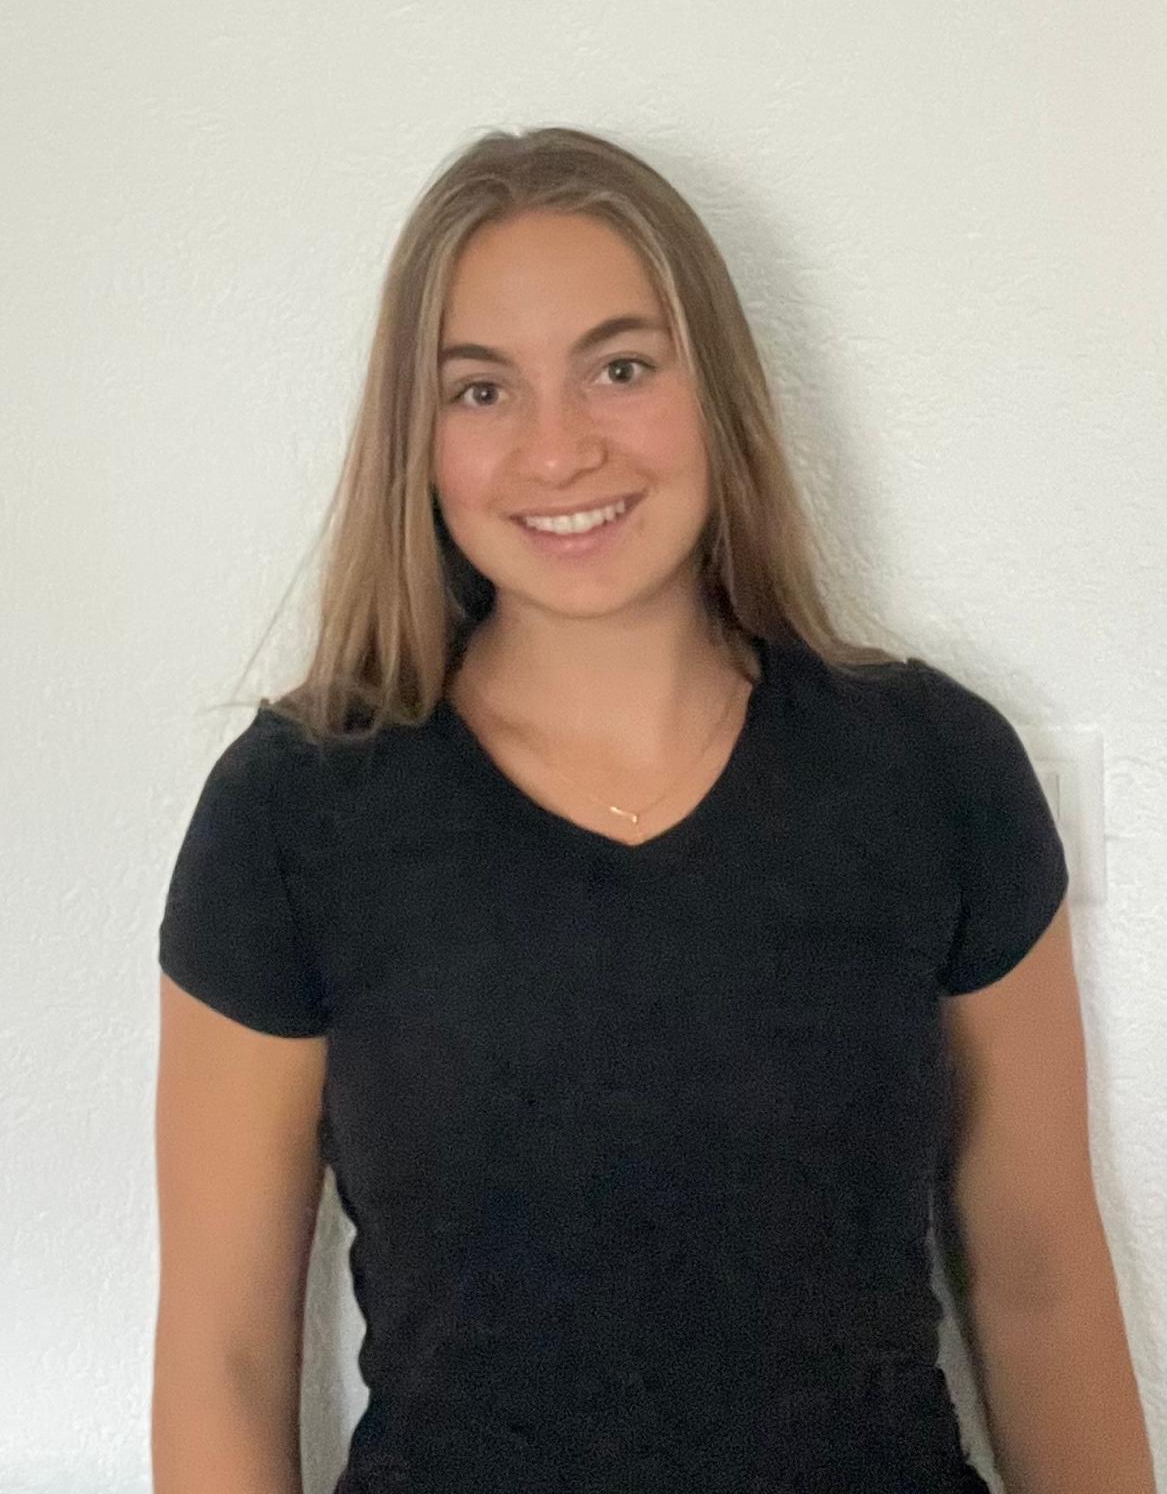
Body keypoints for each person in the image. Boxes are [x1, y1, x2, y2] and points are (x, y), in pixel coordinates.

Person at [152, 127, 1153, 1493]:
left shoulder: (935, 771)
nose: (559, 450)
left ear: (715, 392)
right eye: (481, 390)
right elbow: (222, 1354)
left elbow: (1042, 1283)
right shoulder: (292, 814)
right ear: (416, 443)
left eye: (620, 368)